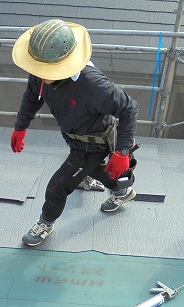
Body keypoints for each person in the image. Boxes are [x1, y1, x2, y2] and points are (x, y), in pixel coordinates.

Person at [10, 19, 139, 246]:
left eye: (44, 70)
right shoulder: (41, 71)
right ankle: (122, 191)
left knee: (57, 187)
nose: (39, 74)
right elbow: (32, 97)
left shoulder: (93, 85)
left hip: (94, 143)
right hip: (74, 136)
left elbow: (129, 108)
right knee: (95, 170)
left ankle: (45, 223)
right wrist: (20, 127)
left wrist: (122, 152)